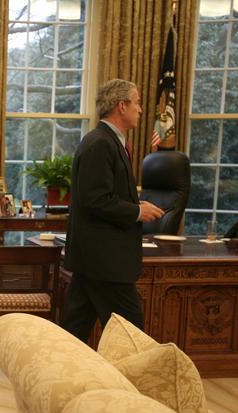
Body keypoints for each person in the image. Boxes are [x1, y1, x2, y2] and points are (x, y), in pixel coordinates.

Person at [61, 79, 163, 343]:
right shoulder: (101, 143)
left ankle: (60, 370)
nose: (141, 109)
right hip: (105, 262)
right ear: (121, 106)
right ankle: (131, 376)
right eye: (137, 102)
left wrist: (136, 207)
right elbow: (95, 200)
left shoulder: (109, 141)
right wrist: (137, 212)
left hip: (95, 259)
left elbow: (104, 196)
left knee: (73, 333)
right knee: (132, 337)